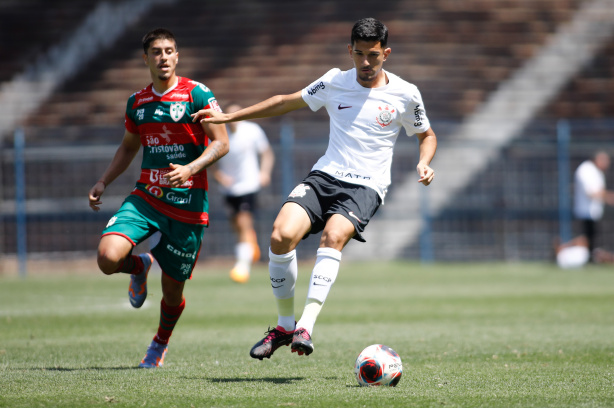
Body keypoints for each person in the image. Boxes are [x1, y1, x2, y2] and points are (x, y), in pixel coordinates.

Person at [192, 17, 437, 360]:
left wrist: (424, 161)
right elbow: (284, 101)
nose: (366, 63)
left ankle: (306, 325)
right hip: (325, 176)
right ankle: (284, 326)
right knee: (280, 235)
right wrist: (229, 118)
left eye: (374, 55)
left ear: (386, 54)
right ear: (349, 51)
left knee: (333, 236)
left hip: (366, 186)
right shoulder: (335, 81)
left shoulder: (405, 93)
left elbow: (426, 134)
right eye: (360, 54)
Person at [88, 28, 229, 368]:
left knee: (172, 291)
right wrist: (104, 180)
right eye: (156, 51)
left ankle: (159, 343)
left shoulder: (197, 94)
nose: (163, 57)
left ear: (177, 56)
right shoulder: (137, 103)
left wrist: (190, 168)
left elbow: (221, 142)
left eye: (169, 51)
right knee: (107, 258)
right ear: (146, 58)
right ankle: (140, 265)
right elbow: (128, 146)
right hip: (146, 198)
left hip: (189, 205)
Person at [213, 103, 275, 283]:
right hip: (229, 188)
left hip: (248, 185)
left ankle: (242, 266)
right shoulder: (218, 133)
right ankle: (250, 247)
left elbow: (267, 153)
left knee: (243, 221)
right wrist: (220, 176)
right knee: (236, 225)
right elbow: (211, 159)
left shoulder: (252, 130)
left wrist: (264, 173)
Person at [573, 151, 614, 261]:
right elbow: (592, 192)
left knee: (594, 238)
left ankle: (592, 259)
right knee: (587, 238)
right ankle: (587, 259)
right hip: (585, 211)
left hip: (594, 211)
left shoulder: (596, 171)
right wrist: (609, 197)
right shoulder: (586, 170)